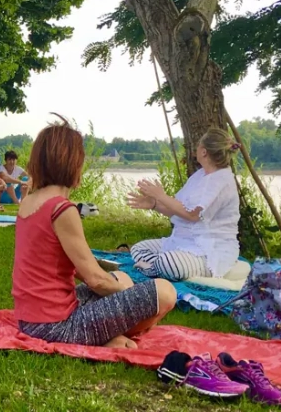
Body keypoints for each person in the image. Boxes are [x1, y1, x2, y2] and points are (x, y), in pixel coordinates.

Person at [13, 116, 177, 349]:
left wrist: (122, 289)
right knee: (165, 292)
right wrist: (131, 294)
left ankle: (109, 333)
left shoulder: (28, 202)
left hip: (29, 319)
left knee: (122, 277)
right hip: (55, 326)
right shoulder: (61, 209)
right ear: (72, 163)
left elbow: (76, 268)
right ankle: (106, 338)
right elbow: (95, 279)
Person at [126, 128, 241, 281]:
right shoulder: (200, 175)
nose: (197, 149)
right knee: (138, 249)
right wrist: (154, 204)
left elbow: (192, 215)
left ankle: (157, 267)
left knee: (170, 262)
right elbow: (179, 210)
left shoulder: (221, 180)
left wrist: (161, 196)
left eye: (199, 145)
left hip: (210, 248)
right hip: (182, 242)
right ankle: (159, 266)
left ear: (204, 152)